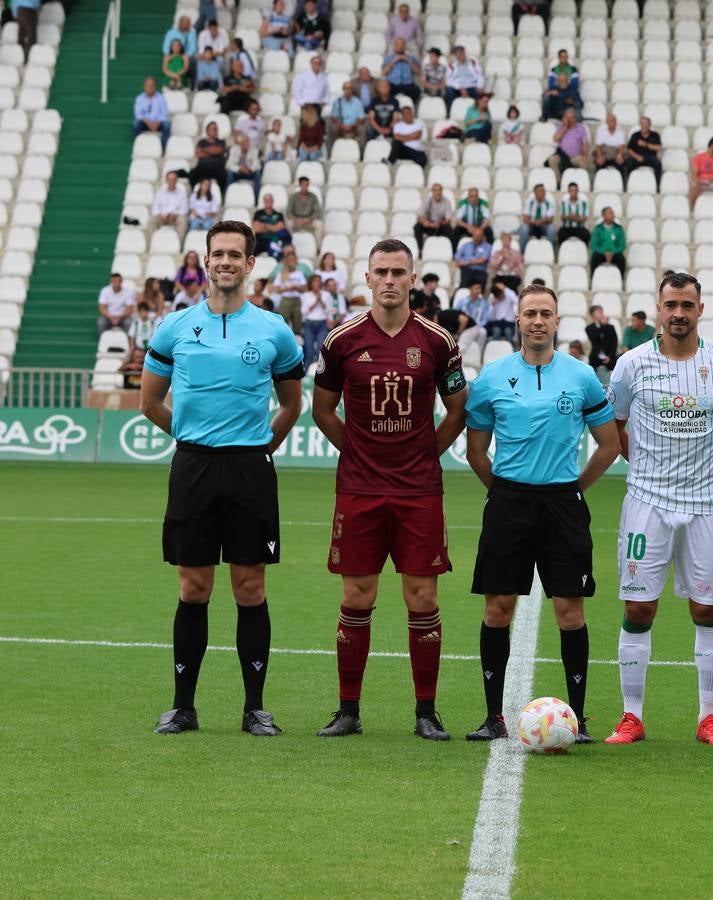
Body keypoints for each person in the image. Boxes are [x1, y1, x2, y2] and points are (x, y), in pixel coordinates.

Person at [140, 220, 305, 737]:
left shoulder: (275, 330)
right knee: (193, 587)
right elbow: (149, 402)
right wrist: (192, 439)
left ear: (250, 264)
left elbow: (292, 404)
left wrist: (258, 449)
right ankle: (182, 707)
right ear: (205, 262)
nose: (227, 262)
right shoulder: (174, 326)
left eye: (236, 254)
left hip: (250, 469)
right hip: (193, 466)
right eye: (218, 254)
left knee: (250, 587)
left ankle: (255, 708)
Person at [309, 238, 466, 741]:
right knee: (357, 594)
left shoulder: (439, 341)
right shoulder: (340, 340)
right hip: (359, 489)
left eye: (400, 271)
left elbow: (458, 409)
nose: (391, 280)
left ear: (413, 278)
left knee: (422, 597)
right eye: (382, 272)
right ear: (368, 279)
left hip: (419, 490)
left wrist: (425, 454)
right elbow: (322, 410)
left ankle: (426, 711)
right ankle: (348, 710)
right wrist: (357, 451)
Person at [463, 284, 620, 741]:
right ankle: (493, 717)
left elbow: (609, 444)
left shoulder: (581, 376)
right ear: (517, 320)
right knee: (497, 609)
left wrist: (573, 489)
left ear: (556, 321)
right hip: (508, 503)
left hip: (562, 505)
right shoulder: (492, 377)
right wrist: (505, 493)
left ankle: (578, 718)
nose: (537, 321)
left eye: (545, 314)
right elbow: (476, 452)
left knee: (571, 612)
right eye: (529, 313)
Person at [602, 272, 713, 747]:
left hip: (706, 506)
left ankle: (709, 718)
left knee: (707, 609)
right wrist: (643, 464)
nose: (678, 313)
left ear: (700, 309)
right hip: (647, 504)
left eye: (687, 304)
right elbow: (615, 427)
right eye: (671, 305)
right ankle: (631, 716)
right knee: (639, 607)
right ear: (658, 310)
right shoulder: (631, 365)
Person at [299, 273, 334, 369]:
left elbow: (328, 310)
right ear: (311, 284)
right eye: (315, 282)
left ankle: (319, 374)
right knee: (309, 351)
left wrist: (321, 300)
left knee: (320, 351)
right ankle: (305, 373)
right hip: (309, 324)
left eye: (319, 282)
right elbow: (304, 311)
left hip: (322, 324)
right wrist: (316, 301)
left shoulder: (326, 295)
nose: (317, 284)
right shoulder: (305, 295)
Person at [548, 108, 590, 178]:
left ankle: (582, 180)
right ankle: (558, 181)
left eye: (571, 118)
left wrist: (585, 155)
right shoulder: (561, 127)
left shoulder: (581, 128)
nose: (570, 120)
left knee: (583, 162)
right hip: (562, 156)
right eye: (567, 118)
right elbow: (555, 139)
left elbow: (585, 143)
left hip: (576, 156)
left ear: (575, 118)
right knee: (552, 160)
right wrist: (565, 127)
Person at [689, 137, 713, 208]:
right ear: (712, 146)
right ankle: (692, 209)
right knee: (694, 185)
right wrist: (699, 181)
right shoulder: (699, 157)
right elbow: (694, 174)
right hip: (701, 183)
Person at [413, 182, 454, 251]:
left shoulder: (447, 202)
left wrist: (440, 223)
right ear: (432, 192)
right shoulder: (427, 201)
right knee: (417, 227)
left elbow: (448, 219)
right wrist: (426, 223)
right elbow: (419, 217)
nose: (437, 192)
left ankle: (448, 249)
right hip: (429, 224)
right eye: (435, 190)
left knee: (449, 229)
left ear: (442, 191)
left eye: (439, 190)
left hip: (440, 224)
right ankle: (420, 249)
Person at [133, 77, 170, 149]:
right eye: (148, 85)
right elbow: (138, 114)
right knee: (136, 123)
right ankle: (138, 145)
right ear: (144, 86)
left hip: (158, 123)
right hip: (145, 123)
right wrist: (148, 122)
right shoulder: (139, 98)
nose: (150, 87)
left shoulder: (160, 97)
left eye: (152, 85)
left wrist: (157, 123)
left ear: (155, 86)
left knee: (167, 124)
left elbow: (164, 114)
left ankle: (163, 147)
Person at [251, 193, 290, 260]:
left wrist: (264, 225)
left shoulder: (279, 214)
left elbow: (280, 228)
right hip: (260, 240)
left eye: (269, 200)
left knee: (282, 253)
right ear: (263, 201)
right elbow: (256, 229)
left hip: (274, 240)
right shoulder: (258, 214)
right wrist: (273, 227)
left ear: (272, 201)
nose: (267, 202)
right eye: (266, 200)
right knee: (250, 253)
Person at [518, 183, 557, 249]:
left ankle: (550, 251)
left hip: (544, 226)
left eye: (544, 191)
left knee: (552, 229)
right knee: (524, 228)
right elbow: (525, 219)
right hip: (531, 225)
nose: (543, 193)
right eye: (541, 191)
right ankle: (522, 253)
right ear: (535, 193)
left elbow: (550, 219)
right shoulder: (529, 202)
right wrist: (535, 222)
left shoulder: (549, 203)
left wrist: (541, 221)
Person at [589, 206, 626, 275]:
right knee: (595, 258)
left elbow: (622, 245)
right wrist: (604, 253)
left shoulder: (619, 229)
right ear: (604, 215)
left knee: (621, 259)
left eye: (612, 213)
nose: (612, 215)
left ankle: (621, 280)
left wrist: (612, 253)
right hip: (601, 253)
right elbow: (593, 245)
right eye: (610, 213)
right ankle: (593, 279)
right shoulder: (598, 229)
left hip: (614, 253)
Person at [625, 117, 663, 184]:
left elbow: (659, 147)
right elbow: (629, 149)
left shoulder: (655, 135)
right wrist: (637, 156)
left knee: (658, 164)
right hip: (637, 158)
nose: (644, 125)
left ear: (649, 125)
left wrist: (646, 144)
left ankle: (658, 186)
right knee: (628, 163)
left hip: (650, 158)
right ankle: (627, 184)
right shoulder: (635, 135)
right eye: (642, 124)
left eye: (646, 124)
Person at [383, 37, 422, 103]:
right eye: (397, 44)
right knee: (384, 90)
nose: (400, 47)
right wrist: (394, 60)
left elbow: (418, 72)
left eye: (402, 44)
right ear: (394, 46)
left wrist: (408, 60)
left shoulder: (411, 58)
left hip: (407, 85)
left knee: (416, 91)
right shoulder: (388, 58)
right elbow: (384, 72)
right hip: (393, 84)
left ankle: (409, 108)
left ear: (405, 46)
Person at [153, 172, 190, 241]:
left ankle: (179, 244)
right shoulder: (160, 192)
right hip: (162, 217)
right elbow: (155, 208)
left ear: (176, 181)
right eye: (170, 179)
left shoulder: (182, 193)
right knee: (151, 222)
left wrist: (175, 215)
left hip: (175, 217)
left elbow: (184, 209)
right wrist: (161, 214)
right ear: (166, 180)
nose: (172, 181)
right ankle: (150, 245)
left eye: (174, 179)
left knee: (183, 221)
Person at [585, 304, 618, 374]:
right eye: (599, 312)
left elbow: (614, 343)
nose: (602, 314)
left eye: (602, 312)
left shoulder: (610, 327)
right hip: (596, 357)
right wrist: (602, 325)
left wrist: (609, 356)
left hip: (610, 356)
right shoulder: (589, 328)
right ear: (592, 315)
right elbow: (595, 339)